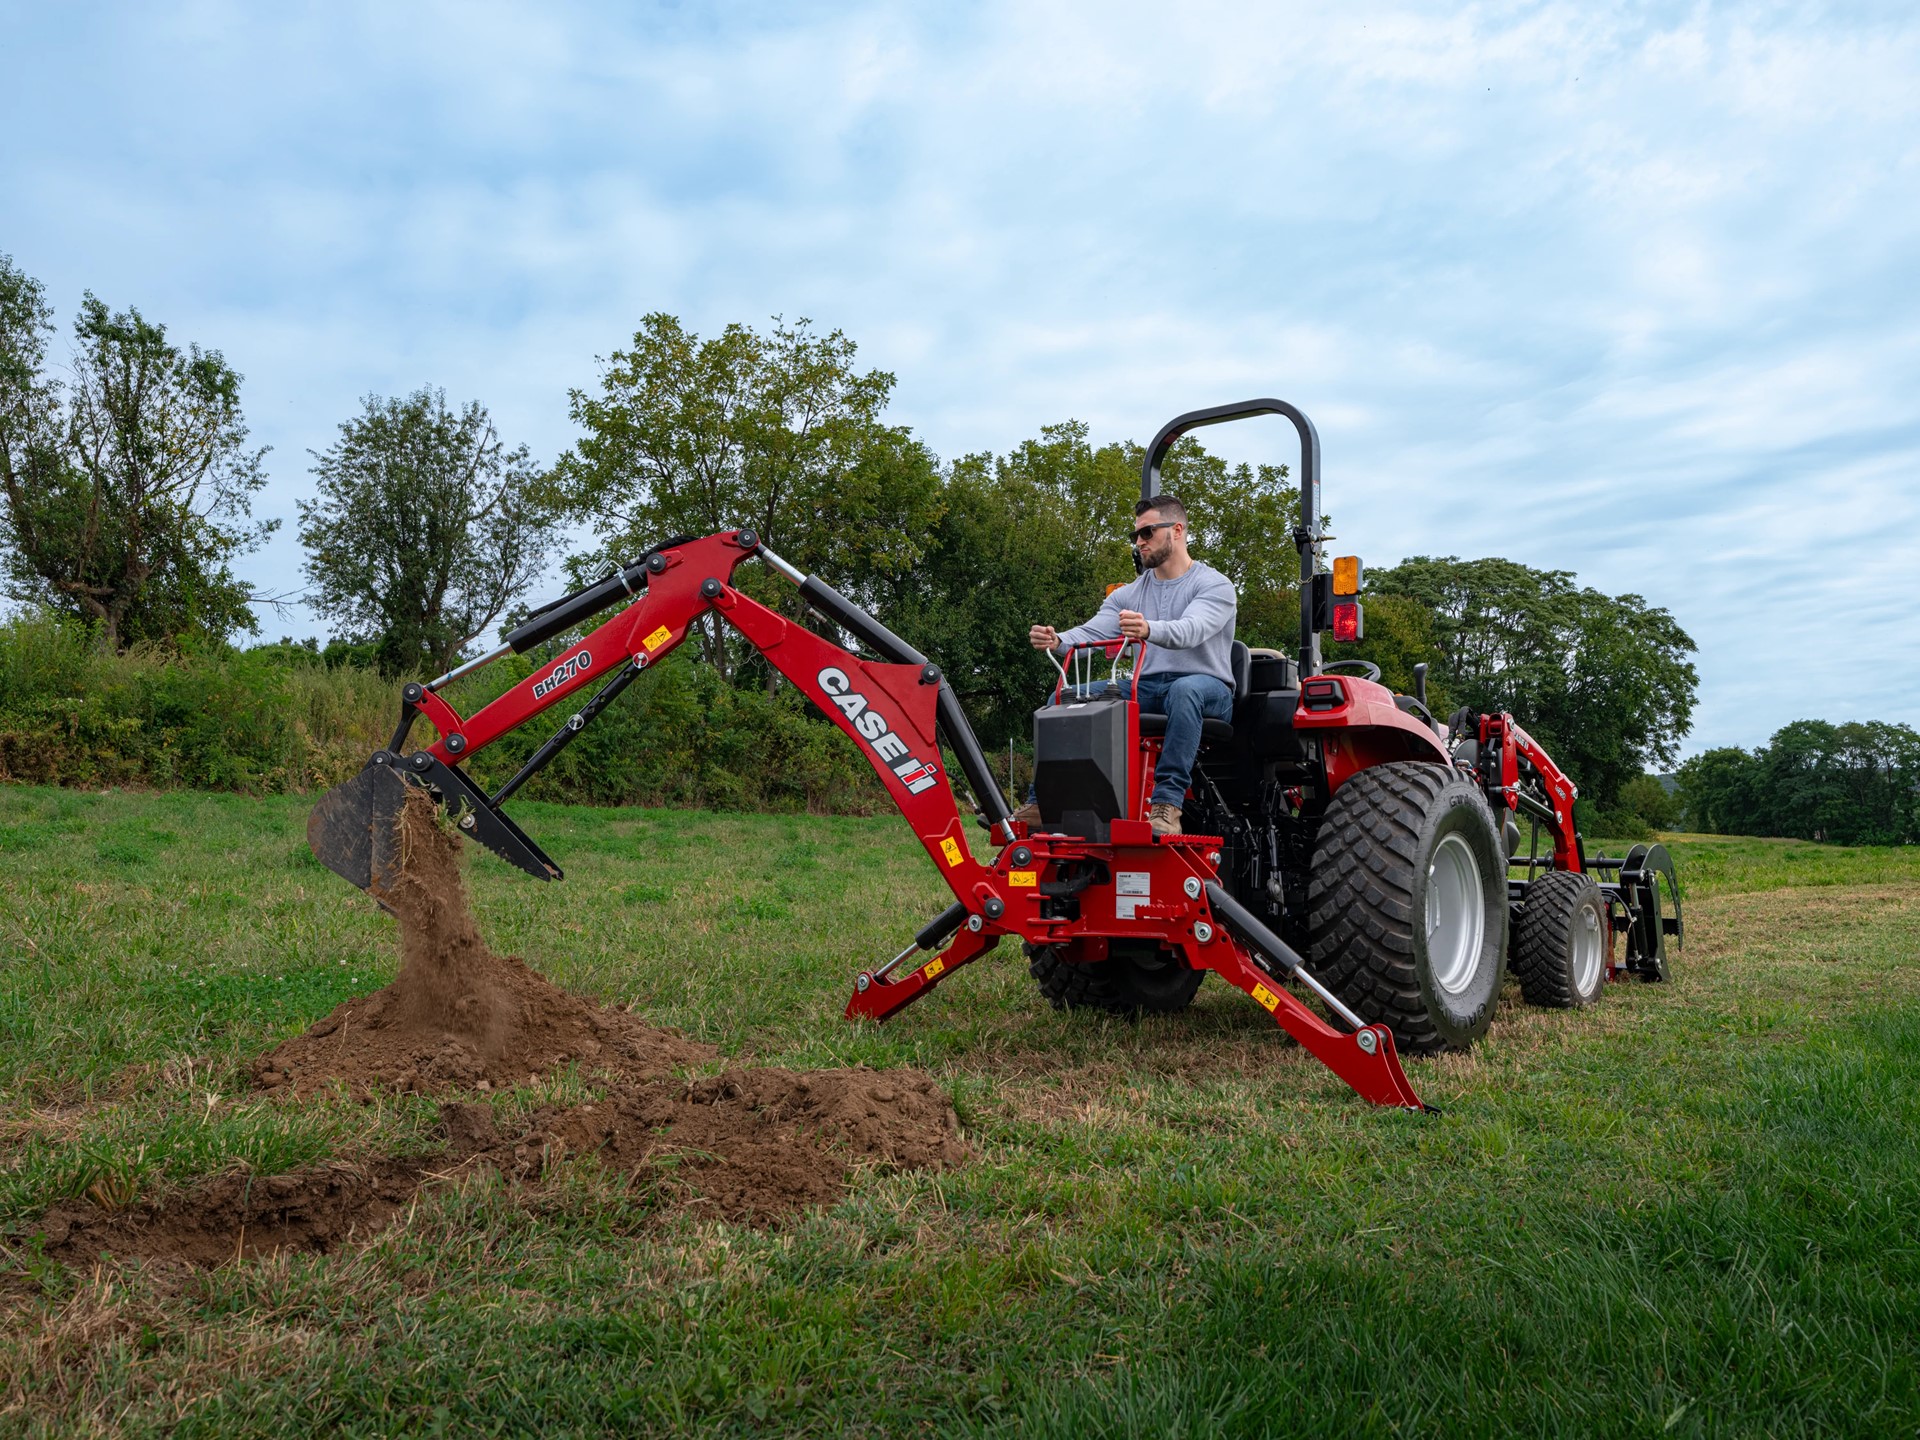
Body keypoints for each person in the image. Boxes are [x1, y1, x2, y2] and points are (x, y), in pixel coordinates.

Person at [1023, 494, 1238, 837]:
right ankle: (1042, 803)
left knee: (1185, 690)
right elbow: (1093, 630)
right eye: (1136, 535)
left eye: (1148, 532)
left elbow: (1193, 629)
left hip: (1207, 686)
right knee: (1061, 698)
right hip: (1147, 686)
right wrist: (1058, 639)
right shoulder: (1129, 593)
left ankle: (1167, 806)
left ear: (1177, 530)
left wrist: (1150, 629)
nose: (1139, 542)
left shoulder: (1214, 585)